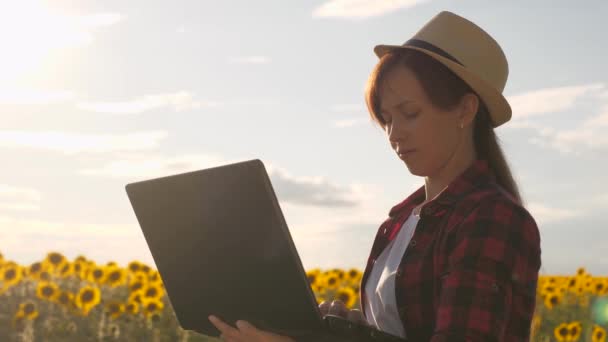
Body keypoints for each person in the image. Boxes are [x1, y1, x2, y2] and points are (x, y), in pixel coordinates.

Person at [207, 10, 542, 342]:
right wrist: (336, 333)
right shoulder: (399, 222)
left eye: (410, 114)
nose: (395, 134)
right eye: (386, 119)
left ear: (465, 110)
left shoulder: (490, 217)